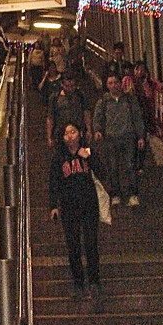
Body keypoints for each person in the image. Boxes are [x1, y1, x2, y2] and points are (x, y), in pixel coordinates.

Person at [49, 123, 102, 306]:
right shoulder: (59, 158)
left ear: (80, 133)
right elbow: (53, 182)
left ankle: (94, 281)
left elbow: (102, 172)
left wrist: (88, 157)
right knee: (73, 246)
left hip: (89, 205)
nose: (70, 136)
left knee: (90, 243)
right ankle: (78, 282)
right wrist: (53, 206)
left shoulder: (87, 153)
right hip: (69, 207)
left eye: (73, 132)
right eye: (66, 133)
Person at [93, 73, 145, 206]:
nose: (113, 86)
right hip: (111, 138)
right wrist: (98, 130)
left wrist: (140, 136)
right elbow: (98, 117)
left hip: (128, 136)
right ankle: (115, 194)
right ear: (106, 85)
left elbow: (137, 117)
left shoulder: (129, 99)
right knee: (113, 167)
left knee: (130, 165)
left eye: (115, 82)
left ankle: (133, 194)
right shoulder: (104, 101)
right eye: (110, 83)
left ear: (120, 84)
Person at [46, 71, 92, 148]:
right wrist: (49, 136)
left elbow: (86, 112)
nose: (70, 89)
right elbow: (50, 118)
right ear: (62, 84)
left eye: (72, 86)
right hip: (61, 134)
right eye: (67, 86)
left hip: (79, 133)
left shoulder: (80, 95)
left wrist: (89, 130)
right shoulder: (55, 98)